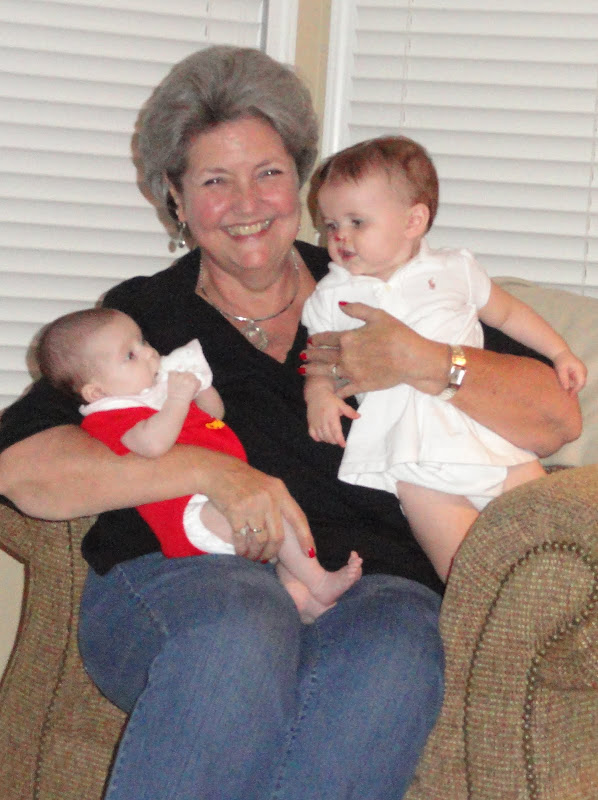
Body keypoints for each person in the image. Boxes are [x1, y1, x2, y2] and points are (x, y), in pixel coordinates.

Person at [0, 45, 580, 800]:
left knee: (396, 658)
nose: (248, 203)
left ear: (299, 182)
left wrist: (430, 361)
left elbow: (557, 417)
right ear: (176, 198)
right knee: (243, 633)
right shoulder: (143, 319)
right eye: (215, 180)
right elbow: (22, 468)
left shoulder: (386, 287)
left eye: (268, 173)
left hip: (377, 581)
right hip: (190, 578)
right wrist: (211, 471)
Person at [302, 135, 586, 581]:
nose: (339, 237)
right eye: (331, 224)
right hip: (412, 459)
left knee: (556, 541)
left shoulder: (455, 269)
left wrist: (559, 351)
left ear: (413, 221)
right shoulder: (332, 295)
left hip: (492, 438)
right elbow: (320, 359)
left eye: (357, 222)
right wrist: (319, 396)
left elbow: (509, 314)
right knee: (467, 574)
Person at [36, 307, 362, 621]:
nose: (149, 353)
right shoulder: (109, 415)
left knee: (279, 535)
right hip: (190, 515)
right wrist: (177, 399)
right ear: (96, 391)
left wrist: (201, 388)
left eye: (143, 341)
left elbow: (213, 415)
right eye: (130, 355)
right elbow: (152, 444)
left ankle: (302, 598)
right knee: (273, 516)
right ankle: (319, 580)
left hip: (218, 501)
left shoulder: (153, 393)